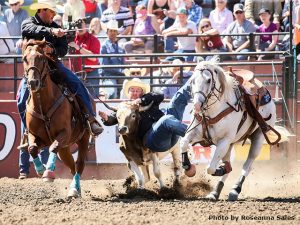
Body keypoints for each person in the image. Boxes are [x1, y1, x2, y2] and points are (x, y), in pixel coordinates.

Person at [18, 0, 103, 145]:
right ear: (42, 10)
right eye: (52, 12)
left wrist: (52, 50)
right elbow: (31, 29)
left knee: (77, 83)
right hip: (34, 70)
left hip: (53, 66)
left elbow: (62, 50)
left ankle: (90, 118)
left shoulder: (57, 27)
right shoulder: (28, 23)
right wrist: (51, 32)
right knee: (21, 100)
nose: (54, 15)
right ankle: (28, 132)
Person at [99, 73, 191, 153]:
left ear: (142, 92)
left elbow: (159, 95)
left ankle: (197, 76)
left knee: (178, 98)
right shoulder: (124, 107)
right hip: (153, 139)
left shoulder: (147, 98)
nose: (135, 92)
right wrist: (106, 118)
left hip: (170, 132)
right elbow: (114, 118)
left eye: (137, 90)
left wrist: (141, 100)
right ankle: (191, 133)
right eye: (132, 90)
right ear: (128, 92)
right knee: (166, 119)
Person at [68, 18, 101, 98]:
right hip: (74, 73)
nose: (80, 27)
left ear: (86, 25)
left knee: (92, 99)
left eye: (81, 24)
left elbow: (94, 58)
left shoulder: (93, 40)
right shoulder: (71, 38)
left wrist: (77, 47)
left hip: (90, 74)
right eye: (77, 25)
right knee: (75, 99)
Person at [99, 19, 125, 99]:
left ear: (117, 32)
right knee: (113, 93)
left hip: (120, 75)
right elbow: (104, 66)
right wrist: (120, 70)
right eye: (111, 31)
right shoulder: (104, 46)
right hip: (108, 75)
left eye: (114, 31)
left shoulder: (120, 47)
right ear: (107, 32)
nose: (113, 33)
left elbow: (123, 63)